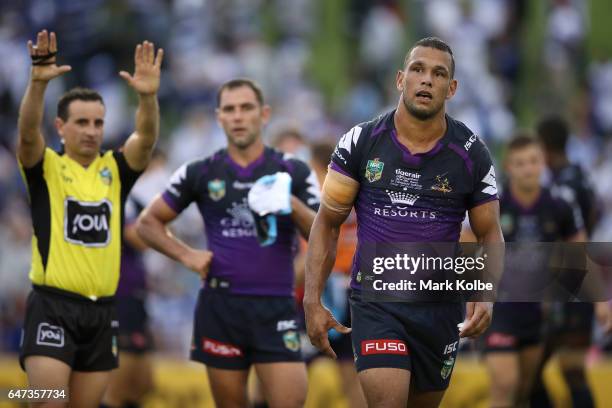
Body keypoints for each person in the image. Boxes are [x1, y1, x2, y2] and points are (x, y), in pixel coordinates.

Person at [304, 37, 504, 407]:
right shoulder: (361, 142)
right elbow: (327, 223)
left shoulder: (471, 154)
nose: (426, 80)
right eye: (418, 70)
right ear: (400, 79)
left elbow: (489, 231)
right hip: (376, 302)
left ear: (452, 88)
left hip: (439, 308)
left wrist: (485, 295)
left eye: (438, 73)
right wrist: (311, 299)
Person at [136, 78, 320, 408]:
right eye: (230, 109)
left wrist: (291, 205)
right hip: (220, 307)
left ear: (264, 114)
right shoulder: (200, 172)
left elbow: (323, 237)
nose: (238, 116)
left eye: (246, 108)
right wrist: (186, 255)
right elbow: (147, 223)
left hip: (276, 305)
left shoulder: (294, 170)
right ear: (219, 117)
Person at [17, 30, 162, 407]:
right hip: (52, 307)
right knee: (48, 401)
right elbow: (27, 134)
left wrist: (146, 97)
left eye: (98, 123)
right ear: (60, 128)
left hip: (101, 312)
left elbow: (145, 140)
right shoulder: (46, 167)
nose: (92, 131)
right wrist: (37, 84)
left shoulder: (114, 170)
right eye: (81, 122)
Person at [483, 133, 586, 408]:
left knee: (523, 390)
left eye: (533, 161)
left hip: (538, 311)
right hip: (499, 308)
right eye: (520, 163)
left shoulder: (560, 203)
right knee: (505, 383)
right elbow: (468, 244)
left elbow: (579, 253)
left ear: (543, 163)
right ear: (509, 166)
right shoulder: (494, 203)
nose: (528, 168)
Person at [530, 116, 612, 408]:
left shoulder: (563, 187)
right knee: (571, 372)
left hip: (565, 288)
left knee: (532, 371)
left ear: (545, 147)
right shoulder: (582, 177)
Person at [102, 151, 168, 408]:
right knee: (119, 386)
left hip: (136, 297)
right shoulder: (119, 196)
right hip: (118, 297)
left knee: (142, 385)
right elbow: (139, 240)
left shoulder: (134, 199)